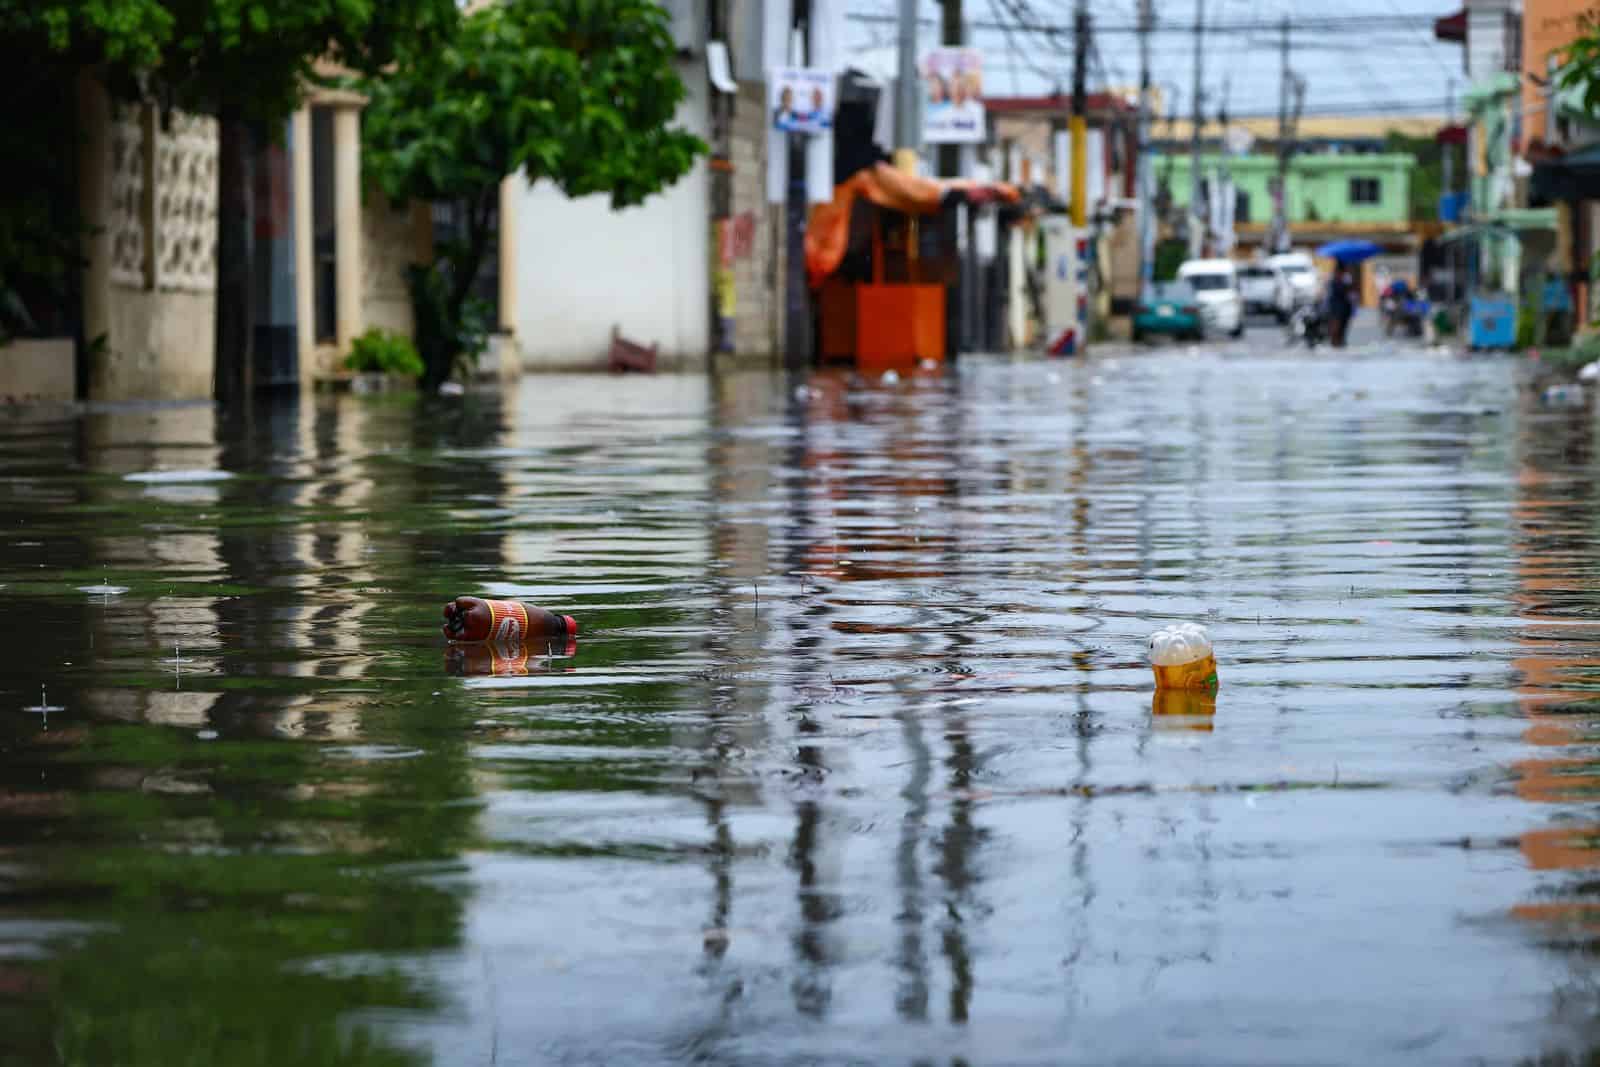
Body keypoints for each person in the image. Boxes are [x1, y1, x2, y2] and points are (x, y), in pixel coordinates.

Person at [1325, 263, 1355, 348]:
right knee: (1336, 324)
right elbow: (1339, 292)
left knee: (1343, 324)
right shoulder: (1334, 280)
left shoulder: (1345, 280)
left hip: (1345, 306)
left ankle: (1340, 340)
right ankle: (1335, 340)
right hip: (1337, 307)